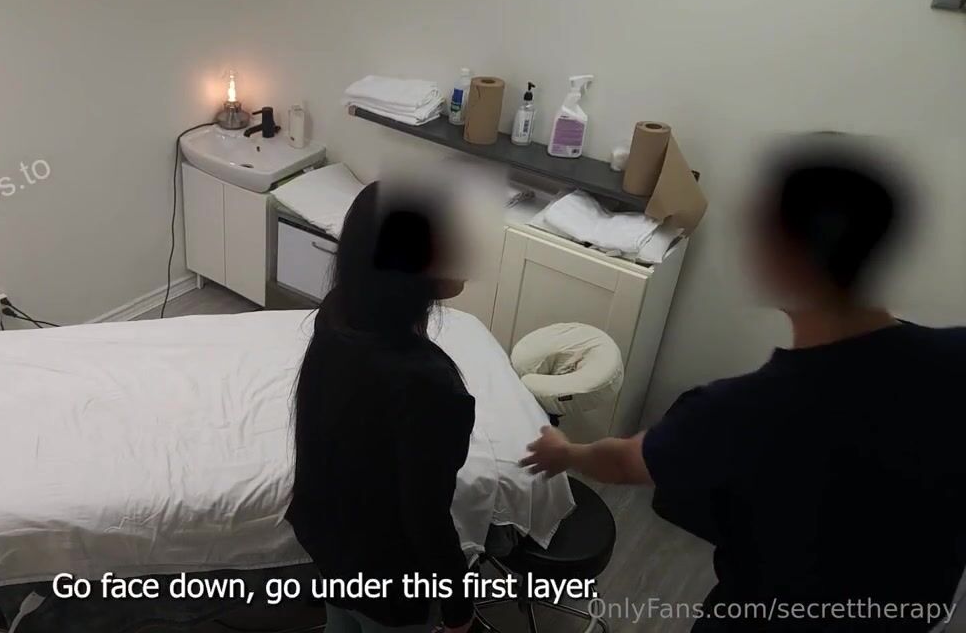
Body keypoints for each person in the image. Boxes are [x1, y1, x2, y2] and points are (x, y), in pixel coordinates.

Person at [519, 134, 965, 632]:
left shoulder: (741, 414)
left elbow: (624, 462)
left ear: (783, 251)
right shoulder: (956, 360)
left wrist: (565, 452)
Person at [286, 181, 476, 633]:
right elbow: (427, 520)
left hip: (330, 549)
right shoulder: (432, 387)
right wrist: (459, 611)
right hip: (389, 583)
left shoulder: (338, 315)